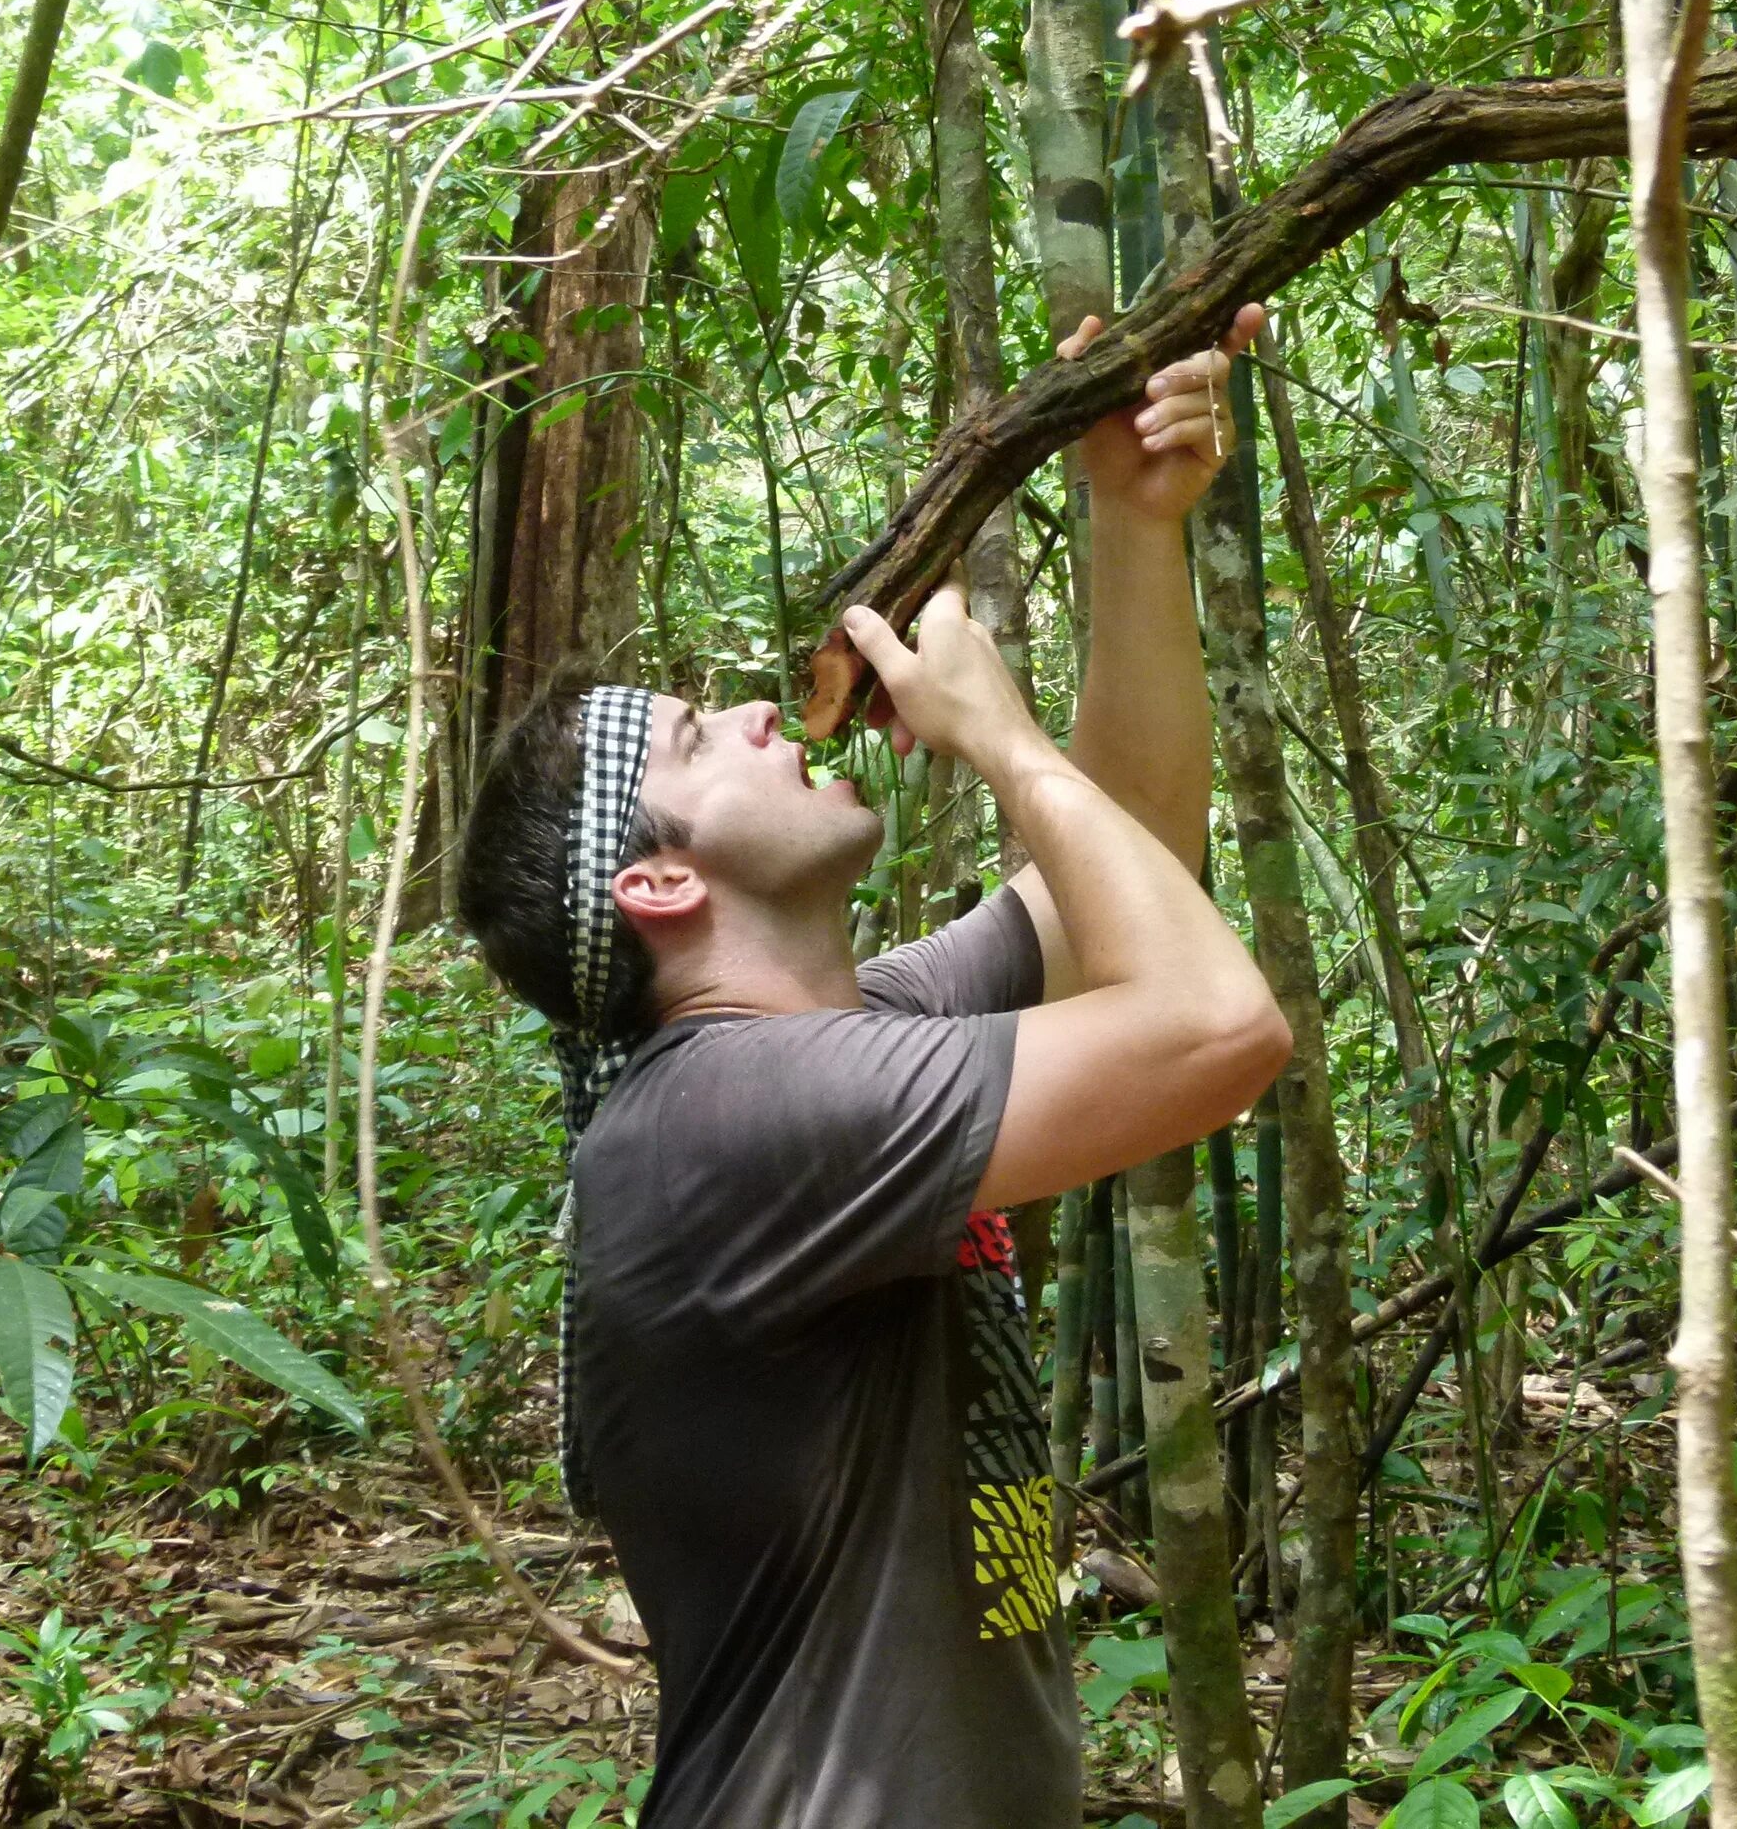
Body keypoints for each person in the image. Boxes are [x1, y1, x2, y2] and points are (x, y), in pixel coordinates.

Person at [453, 303, 1289, 1828]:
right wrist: (1000, 740)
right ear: (658, 883)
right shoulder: (731, 1118)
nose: (764, 715)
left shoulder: (835, 1048)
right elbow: (1218, 1027)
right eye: (704, 738)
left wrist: (1131, 523)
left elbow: (1137, 872)